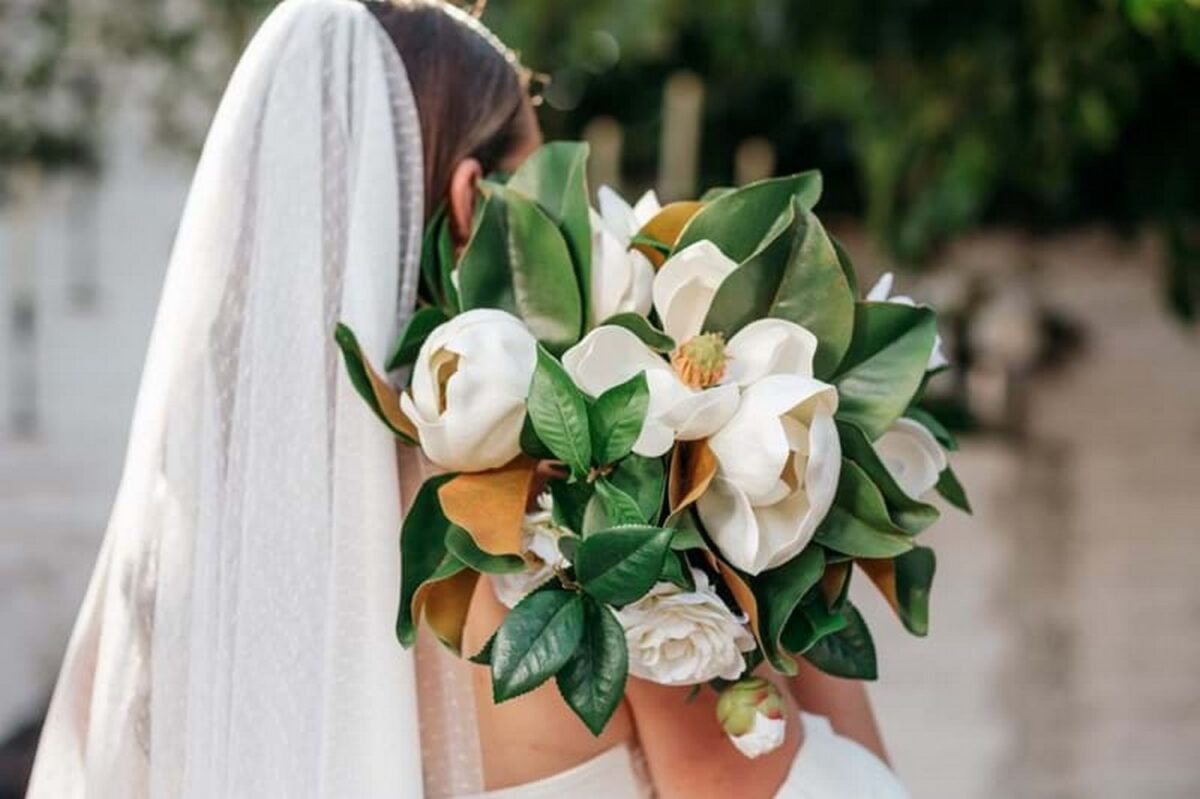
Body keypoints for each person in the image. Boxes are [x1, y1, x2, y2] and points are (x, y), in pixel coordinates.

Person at [27, 1, 908, 796]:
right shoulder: (578, 528)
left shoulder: (168, 584)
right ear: (469, 205)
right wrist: (798, 570)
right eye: (542, 185)